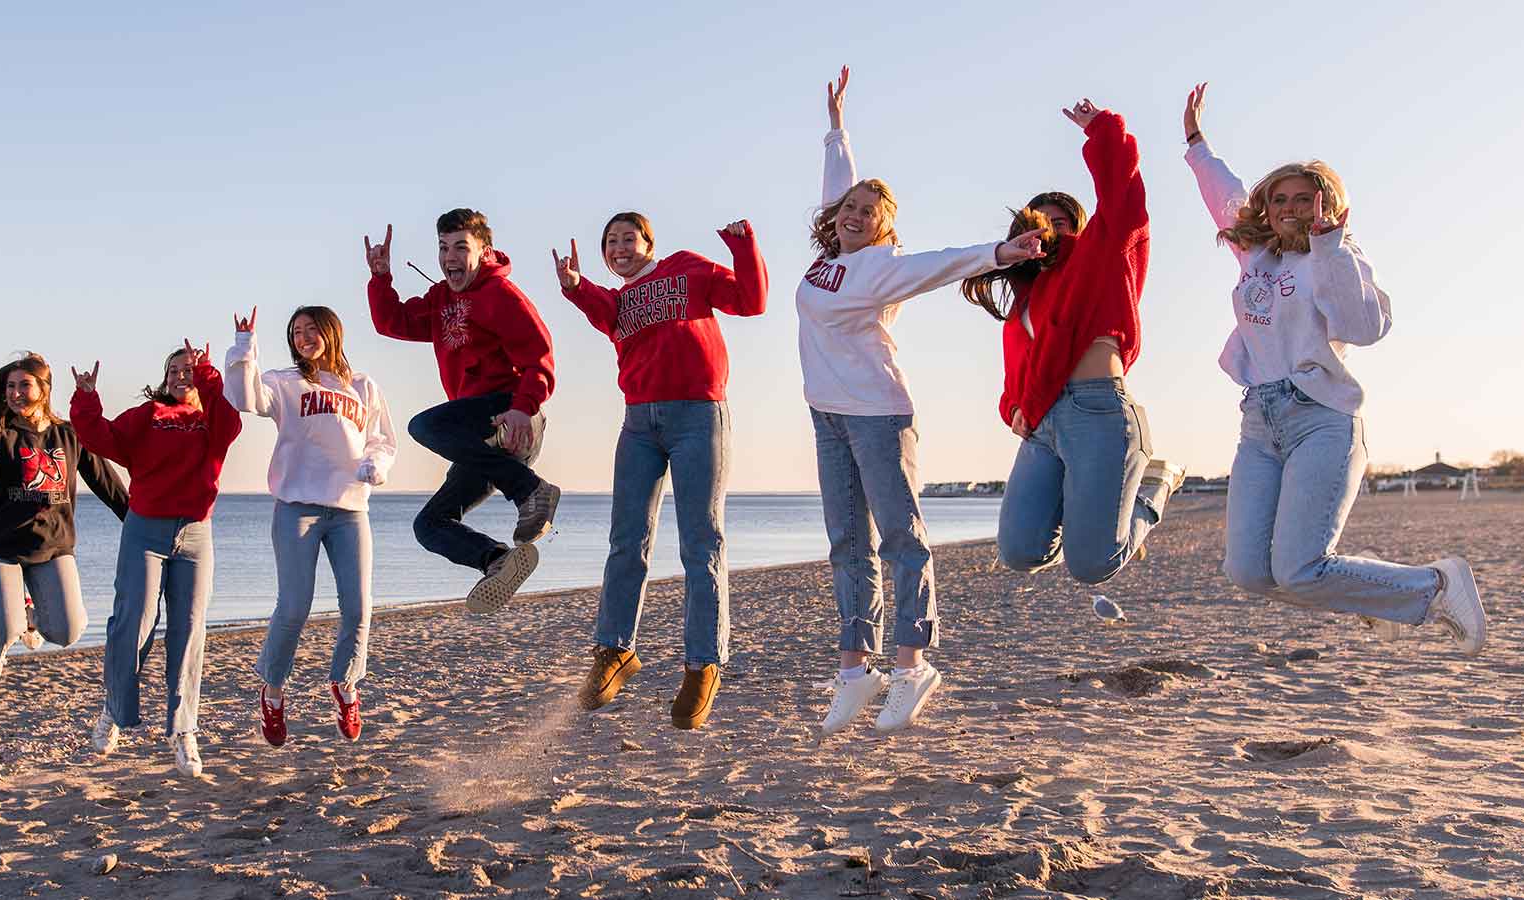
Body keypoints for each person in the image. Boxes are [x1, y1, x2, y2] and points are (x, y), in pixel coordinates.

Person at [1180, 83, 1487, 653]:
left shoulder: (1340, 255)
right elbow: (1222, 192)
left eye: (1304, 199)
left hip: (1320, 417)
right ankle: (1379, 591)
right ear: (1267, 210)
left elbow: (1365, 328)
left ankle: (1436, 585)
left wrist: (1330, 249)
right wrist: (1196, 140)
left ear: (1327, 205)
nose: (1292, 209)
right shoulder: (1256, 253)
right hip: (1259, 422)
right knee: (1249, 572)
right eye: (1281, 200)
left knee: (1298, 569)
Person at [801, 68, 1047, 736]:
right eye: (848, 209)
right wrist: (836, 128)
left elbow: (944, 263)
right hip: (826, 414)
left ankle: (911, 663)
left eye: (868, 213)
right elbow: (836, 188)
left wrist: (999, 252)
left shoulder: (884, 267)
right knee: (846, 542)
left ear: (884, 229)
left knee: (900, 539)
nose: (853, 215)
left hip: (877, 415)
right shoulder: (831, 254)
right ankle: (855, 669)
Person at [956, 97, 1186, 589]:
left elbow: (1123, 198)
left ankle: (1152, 488)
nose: (1047, 231)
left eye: (1058, 223)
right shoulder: (1023, 301)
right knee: (1021, 551)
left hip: (1097, 411)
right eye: (1036, 224)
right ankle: (1097, 512)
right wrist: (1013, 408)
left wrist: (1103, 130)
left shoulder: (1100, 256)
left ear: (1077, 228)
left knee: (1092, 565)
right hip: (1043, 423)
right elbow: (1016, 374)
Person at [551, 213, 767, 730]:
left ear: (650, 243)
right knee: (627, 540)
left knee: (700, 541)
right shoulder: (616, 304)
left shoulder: (685, 269)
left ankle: (702, 664)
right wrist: (575, 285)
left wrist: (744, 246)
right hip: (637, 424)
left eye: (629, 238)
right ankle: (615, 651)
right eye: (611, 242)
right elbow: (592, 302)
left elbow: (751, 301)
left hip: (698, 415)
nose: (620, 247)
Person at [365, 209, 561, 613]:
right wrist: (381, 278)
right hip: (477, 439)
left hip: (511, 416)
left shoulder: (502, 296)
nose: (449, 256)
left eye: (460, 247)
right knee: (429, 525)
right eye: (443, 247)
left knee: (425, 425)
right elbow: (393, 322)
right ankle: (498, 561)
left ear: (483, 251)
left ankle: (530, 490)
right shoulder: (441, 299)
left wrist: (524, 408)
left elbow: (540, 358)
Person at [226, 305, 396, 746]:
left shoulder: (363, 386)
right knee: (294, 607)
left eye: (311, 329)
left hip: (350, 511)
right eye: (296, 332)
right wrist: (245, 348)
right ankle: (274, 691)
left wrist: (375, 465)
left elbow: (382, 440)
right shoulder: (284, 382)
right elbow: (244, 399)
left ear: (332, 332)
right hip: (297, 507)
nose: (303, 337)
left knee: (359, 609)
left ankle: (345, 684)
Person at [70, 340, 241, 777]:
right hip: (145, 529)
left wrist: (206, 374)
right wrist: (87, 398)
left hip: (196, 534)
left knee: (188, 631)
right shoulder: (147, 417)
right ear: (164, 380)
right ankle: (114, 708)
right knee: (134, 622)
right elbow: (99, 437)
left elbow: (231, 422)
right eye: (175, 371)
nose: (182, 375)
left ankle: (183, 731)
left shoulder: (213, 419)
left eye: (191, 369)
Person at [0, 353, 128, 690]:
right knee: (5, 628)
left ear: (44, 390)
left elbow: (106, 483)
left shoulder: (69, 434)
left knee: (67, 633)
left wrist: (137, 522)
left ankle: (29, 615)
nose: (16, 393)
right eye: (10, 387)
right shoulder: (0, 431)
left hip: (51, 547)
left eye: (24, 385)